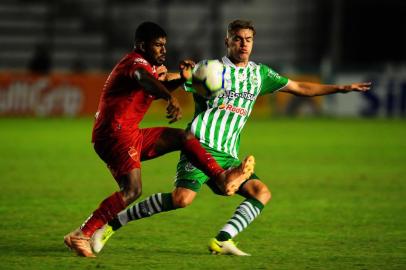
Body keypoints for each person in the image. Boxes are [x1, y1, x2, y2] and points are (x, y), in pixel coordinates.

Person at [91, 20, 371, 256]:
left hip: (228, 152)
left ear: (253, 42)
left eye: (248, 39)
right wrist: (169, 77)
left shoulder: (260, 75)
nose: (244, 44)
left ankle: (223, 239)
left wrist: (340, 88)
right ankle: (113, 223)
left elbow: (299, 87)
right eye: (238, 39)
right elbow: (176, 77)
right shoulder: (210, 69)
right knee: (181, 199)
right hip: (198, 144)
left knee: (261, 193)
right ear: (228, 42)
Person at [63, 21, 255, 258]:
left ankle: (222, 176)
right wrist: (169, 98)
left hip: (128, 132)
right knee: (132, 190)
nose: (163, 50)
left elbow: (156, 84)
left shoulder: (150, 68)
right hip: (116, 135)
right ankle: (82, 233)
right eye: (157, 45)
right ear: (141, 45)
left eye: (165, 45)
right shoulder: (135, 63)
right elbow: (144, 79)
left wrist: (185, 78)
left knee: (183, 137)